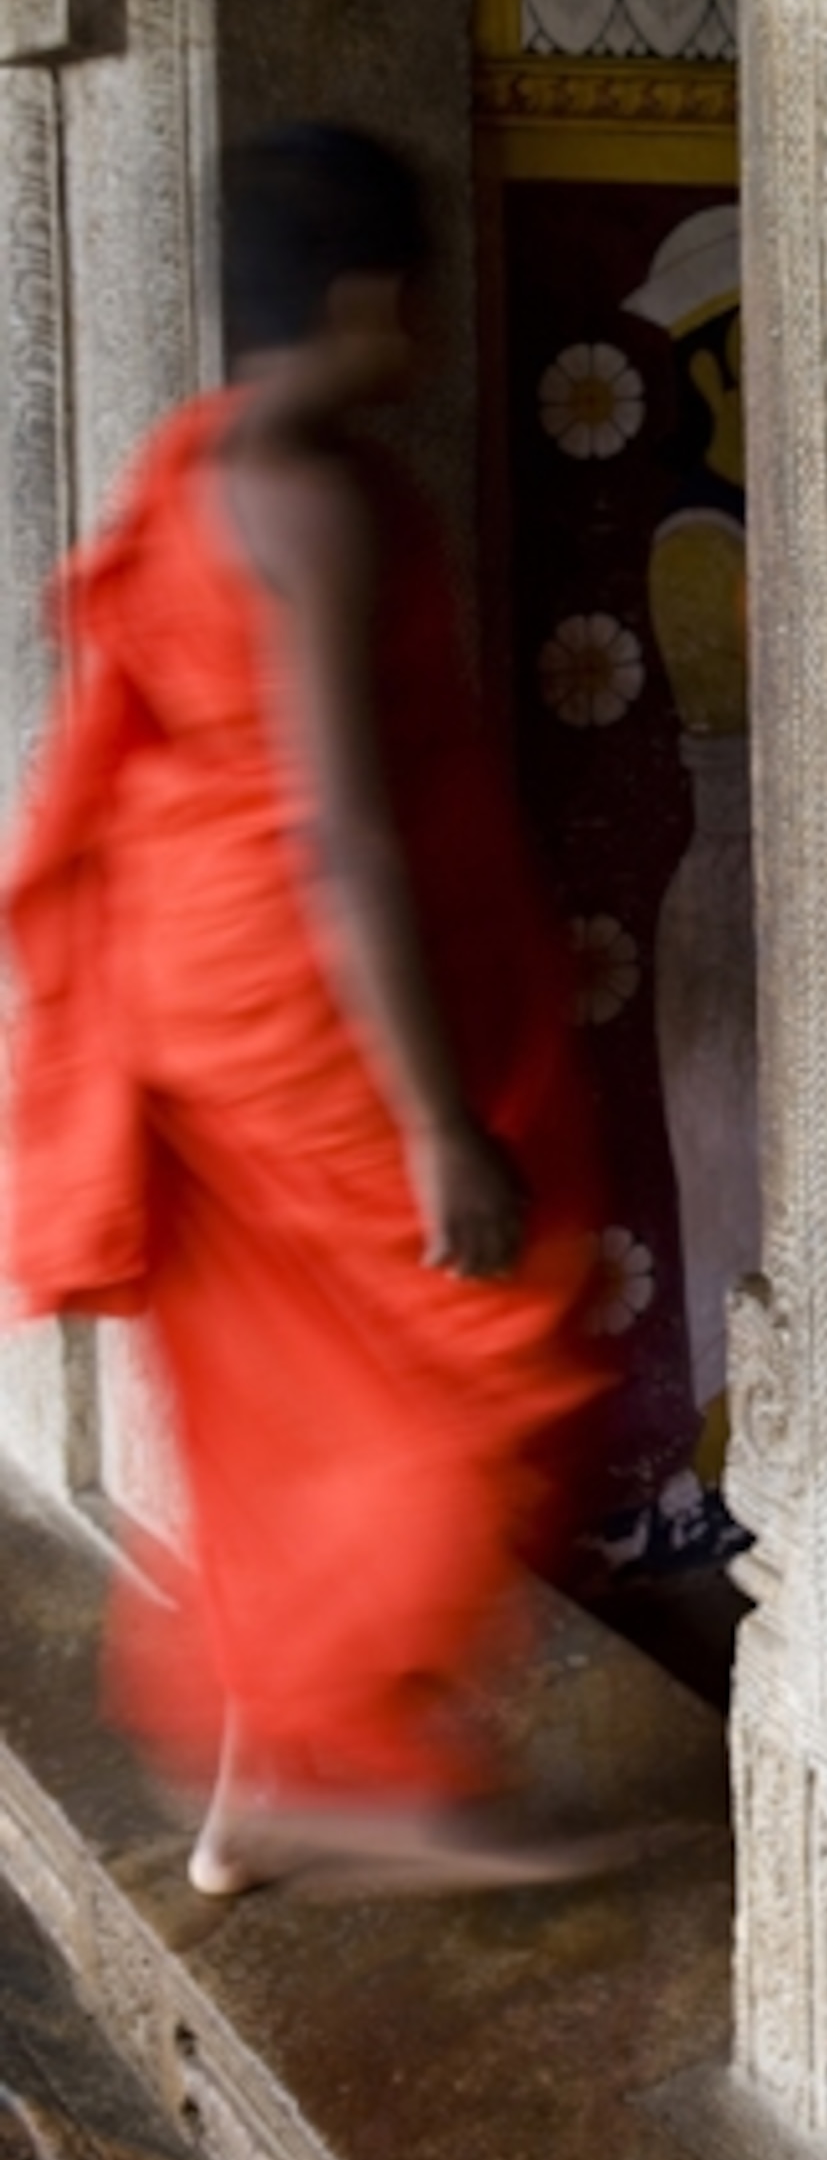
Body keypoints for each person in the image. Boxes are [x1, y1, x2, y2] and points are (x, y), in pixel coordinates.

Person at [3, 122, 610, 1895]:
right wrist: (439, 1129)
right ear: (363, 297)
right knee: (493, 1338)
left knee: (284, 1390)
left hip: (198, 993)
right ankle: (366, 1769)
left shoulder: (202, 468)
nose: (422, 335)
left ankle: (260, 1777)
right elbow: (342, 837)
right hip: (306, 1014)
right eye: (414, 297)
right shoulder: (318, 504)